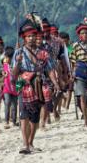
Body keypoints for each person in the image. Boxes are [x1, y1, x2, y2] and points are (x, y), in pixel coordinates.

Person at [12, 20, 58, 154]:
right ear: (24, 38)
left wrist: (55, 83)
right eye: (28, 36)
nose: (31, 38)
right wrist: (18, 63)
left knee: (35, 117)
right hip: (23, 83)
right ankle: (25, 144)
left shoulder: (43, 53)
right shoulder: (18, 53)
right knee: (24, 115)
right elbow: (14, 75)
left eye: (33, 35)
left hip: (39, 83)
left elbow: (49, 70)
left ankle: (31, 143)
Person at [2, 46, 18, 129]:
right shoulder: (3, 66)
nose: (6, 59)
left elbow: (19, 77)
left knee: (14, 105)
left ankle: (14, 121)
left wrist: (19, 88)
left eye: (8, 57)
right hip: (6, 88)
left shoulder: (16, 66)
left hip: (15, 89)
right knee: (7, 103)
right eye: (6, 57)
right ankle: (6, 121)